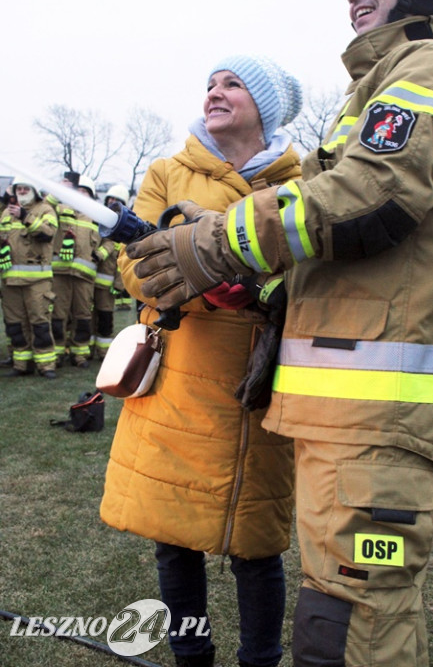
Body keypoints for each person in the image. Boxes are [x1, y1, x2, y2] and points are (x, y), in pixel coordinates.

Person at [124, 0, 433, 667]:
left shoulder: (431, 68)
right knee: (346, 614)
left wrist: (218, 241)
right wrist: (228, 238)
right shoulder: (382, 86)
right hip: (348, 419)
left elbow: (372, 195)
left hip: (375, 422)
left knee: (355, 623)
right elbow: (343, 245)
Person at [100, 55, 303, 667]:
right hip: (180, 382)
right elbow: (134, 269)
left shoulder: (302, 184)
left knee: (256, 547)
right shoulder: (168, 171)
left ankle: (258, 659)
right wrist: (198, 278)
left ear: (264, 108)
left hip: (259, 385)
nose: (215, 92)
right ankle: (191, 655)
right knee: (174, 542)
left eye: (232, 84)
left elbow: (314, 276)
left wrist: (259, 292)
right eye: (211, 83)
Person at [0, 177, 58, 378]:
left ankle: (47, 366)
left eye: (26, 188)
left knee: (40, 322)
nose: (22, 191)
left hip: (37, 282)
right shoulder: (7, 213)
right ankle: (21, 365)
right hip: (10, 281)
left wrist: (25, 216)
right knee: (15, 324)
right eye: (19, 189)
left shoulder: (45, 210)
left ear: (34, 190)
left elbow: (48, 233)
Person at [49, 173, 104, 368]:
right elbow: (44, 208)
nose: (80, 194)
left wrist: (100, 253)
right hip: (60, 274)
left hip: (85, 277)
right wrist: (57, 190)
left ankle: (80, 354)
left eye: (84, 192)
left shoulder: (98, 215)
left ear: (91, 195)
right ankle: (56, 354)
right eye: (77, 191)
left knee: (82, 316)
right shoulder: (60, 208)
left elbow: (111, 240)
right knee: (58, 315)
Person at [90, 184, 129, 360]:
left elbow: (123, 259)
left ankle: (104, 351)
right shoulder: (100, 221)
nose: (111, 203)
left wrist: (119, 283)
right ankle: (89, 348)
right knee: (89, 316)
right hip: (91, 281)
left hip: (107, 285)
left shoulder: (124, 228)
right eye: (110, 200)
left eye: (116, 201)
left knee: (105, 317)